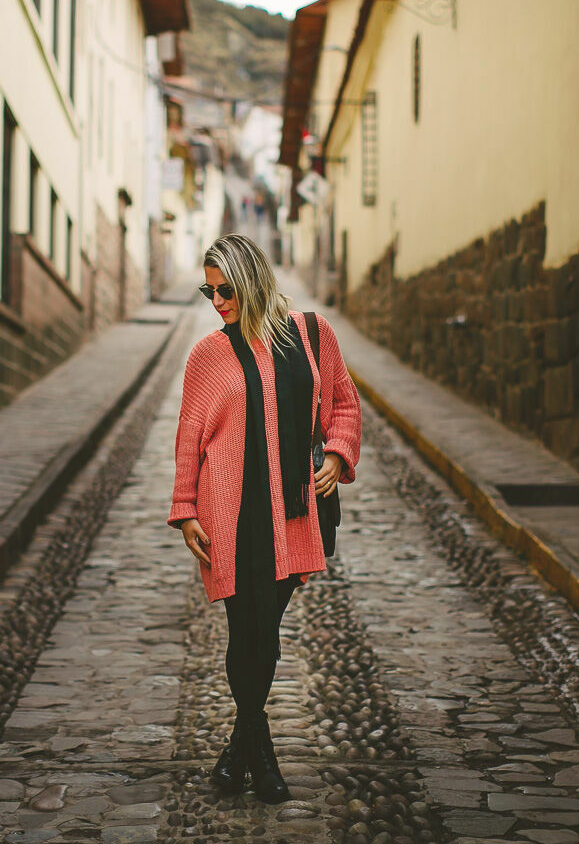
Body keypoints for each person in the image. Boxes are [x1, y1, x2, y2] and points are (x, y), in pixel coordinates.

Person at [168, 233, 362, 803]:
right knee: (246, 629)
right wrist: (185, 510)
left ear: (252, 280)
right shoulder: (207, 355)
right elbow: (189, 438)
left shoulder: (312, 334)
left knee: (266, 630)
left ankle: (241, 748)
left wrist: (337, 453)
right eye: (208, 291)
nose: (217, 301)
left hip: (295, 513)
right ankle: (262, 753)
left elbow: (344, 402)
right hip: (230, 516)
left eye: (225, 289)